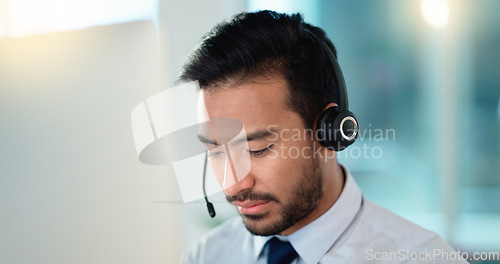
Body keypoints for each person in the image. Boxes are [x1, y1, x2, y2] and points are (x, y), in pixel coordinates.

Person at [179, 10, 466, 264]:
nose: (233, 183)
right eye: (216, 151)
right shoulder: (207, 255)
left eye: (257, 149)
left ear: (329, 133)